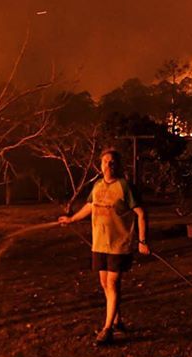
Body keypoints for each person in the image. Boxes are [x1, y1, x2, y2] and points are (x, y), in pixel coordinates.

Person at [59, 148, 149, 345]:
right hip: (99, 243)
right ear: (100, 165)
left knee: (113, 284)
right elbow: (90, 206)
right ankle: (117, 321)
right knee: (104, 283)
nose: (108, 165)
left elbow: (141, 214)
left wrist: (142, 241)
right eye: (105, 162)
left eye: (112, 162)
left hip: (118, 244)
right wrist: (71, 219)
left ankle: (107, 330)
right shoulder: (98, 186)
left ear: (118, 165)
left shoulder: (125, 186)